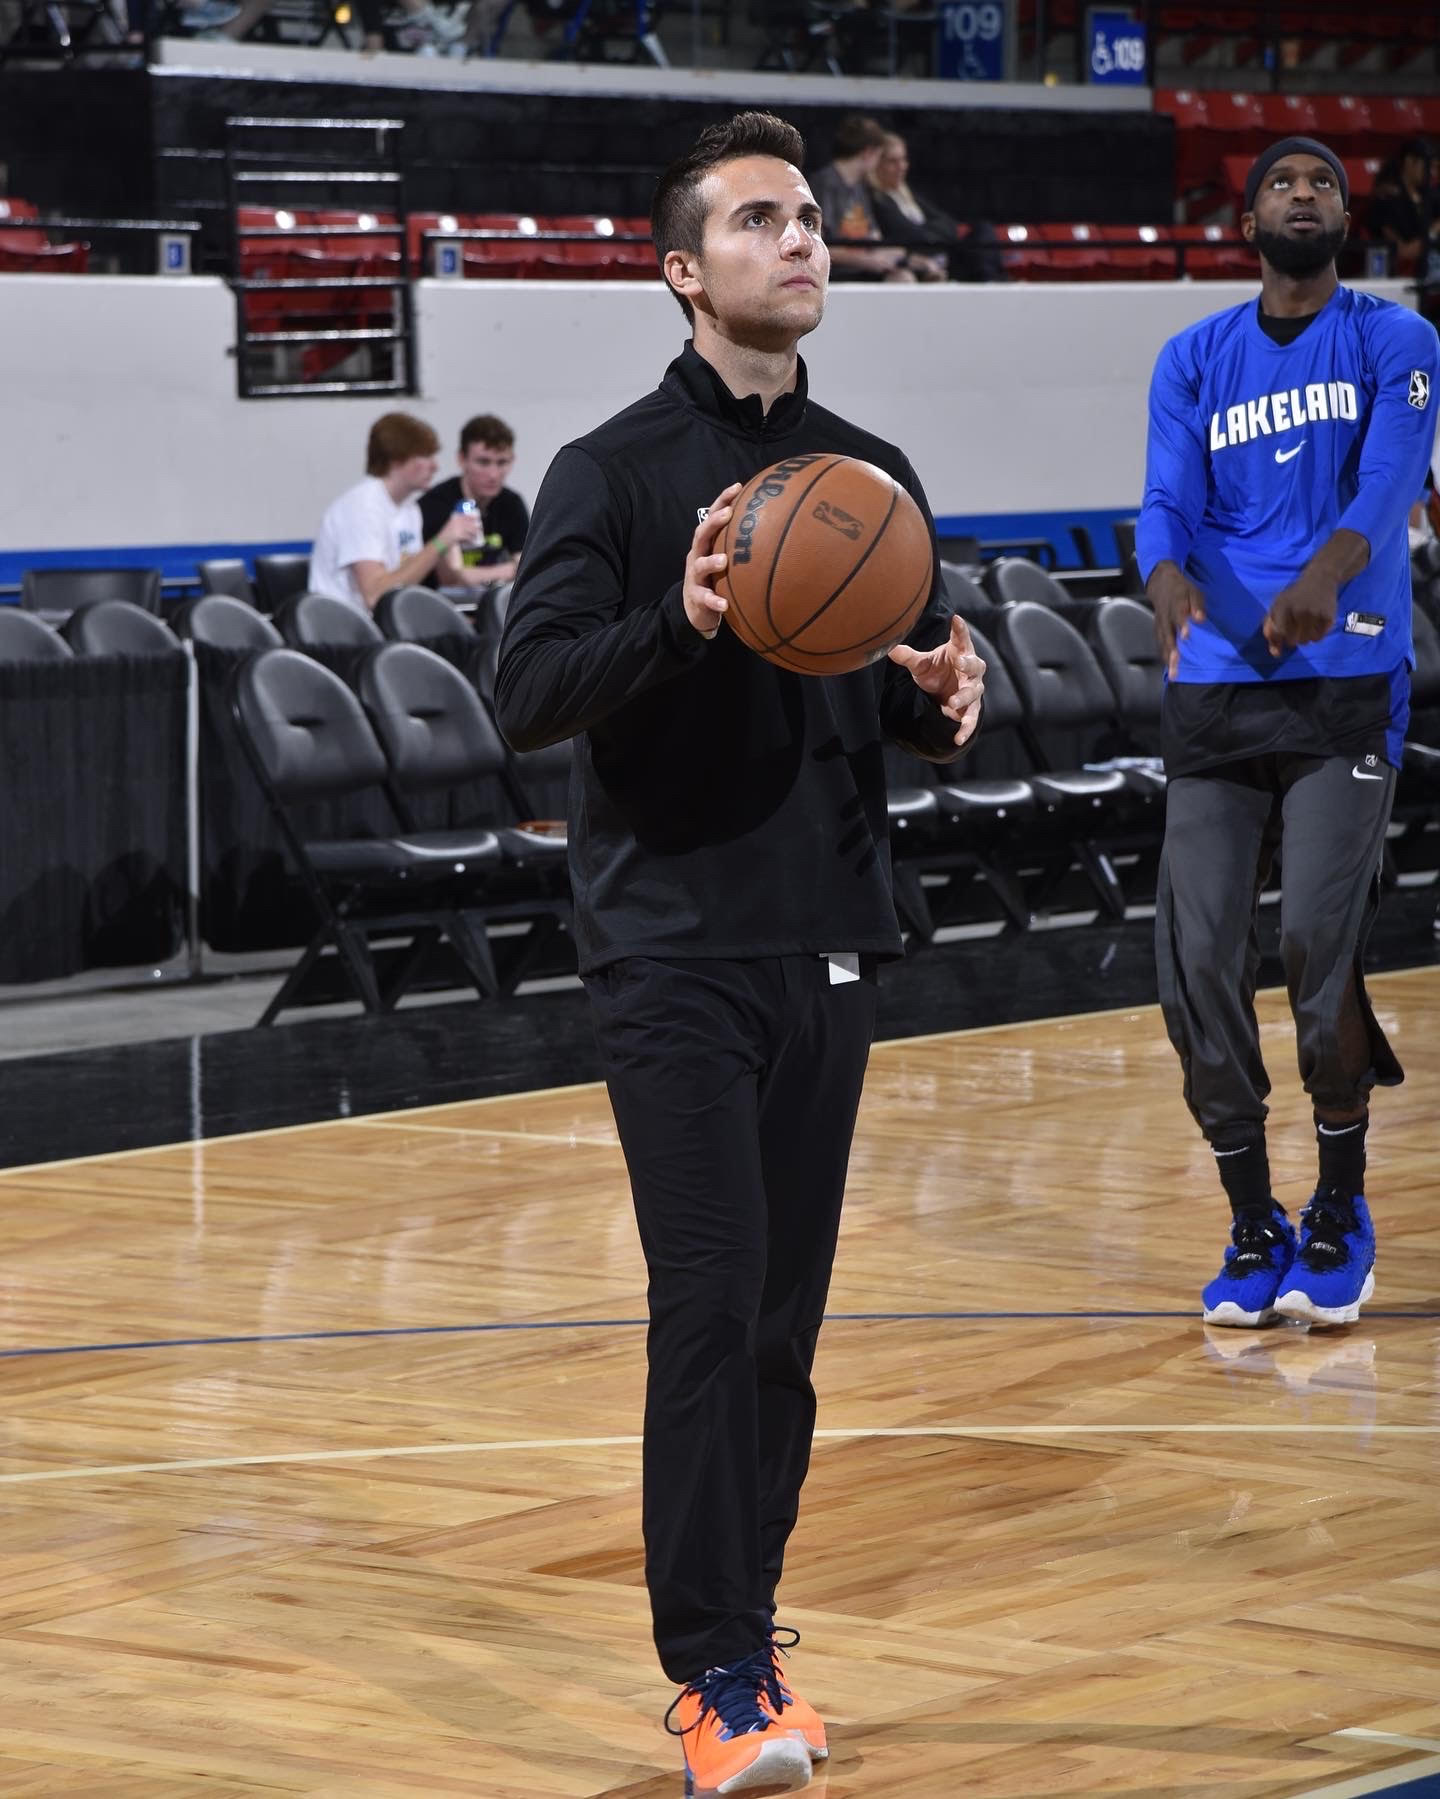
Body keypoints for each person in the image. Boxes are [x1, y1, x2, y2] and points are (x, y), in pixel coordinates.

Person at [494, 108, 985, 1796]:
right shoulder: (614, 471)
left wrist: (942, 699)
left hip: (828, 929)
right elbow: (527, 691)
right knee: (707, 1300)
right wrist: (684, 618)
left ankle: (753, 1627)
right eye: (761, 218)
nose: (803, 237)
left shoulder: (867, 477)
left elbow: (898, 703)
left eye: (809, 216)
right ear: (681, 268)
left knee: (780, 1320)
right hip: (671, 945)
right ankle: (710, 1667)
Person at [1137, 136, 1439, 1332]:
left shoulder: (1394, 339)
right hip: (1213, 687)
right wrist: (1160, 570)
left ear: (1346, 216)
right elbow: (1166, 492)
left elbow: (1389, 482)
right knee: (1196, 962)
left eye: (1324, 180)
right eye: (1281, 182)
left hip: (1344, 677)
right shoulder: (1192, 357)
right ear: (1248, 217)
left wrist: (1325, 573)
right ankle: (1255, 1212)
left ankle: (1342, 1205)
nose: (1303, 192)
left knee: (1318, 944)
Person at [309, 412, 479, 613]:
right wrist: (442, 540)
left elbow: (406, 583)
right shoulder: (362, 506)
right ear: (396, 459)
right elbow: (375, 596)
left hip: (385, 626)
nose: (435, 466)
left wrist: (448, 546)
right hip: (343, 631)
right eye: (425, 456)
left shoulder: (410, 510)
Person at [419, 414, 529, 592]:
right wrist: (508, 570)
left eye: (502, 462)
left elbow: (526, 569)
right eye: (483, 462)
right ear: (462, 460)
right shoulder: (436, 504)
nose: (493, 474)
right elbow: (453, 577)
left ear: (512, 460)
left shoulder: (512, 503)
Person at [806, 112, 917, 284]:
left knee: (905, 273)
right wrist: (868, 261)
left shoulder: (860, 187)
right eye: (879, 157)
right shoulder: (823, 185)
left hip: (865, 268)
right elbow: (820, 244)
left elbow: (872, 235)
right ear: (868, 153)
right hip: (837, 276)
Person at [1366, 138, 1439, 279]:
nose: (1433, 174)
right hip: (1404, 273)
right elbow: (1403, 252)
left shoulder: (1431, 197)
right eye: (1429, 167)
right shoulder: (1386, 200)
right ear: (1410, 161)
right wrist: (1434, 230)